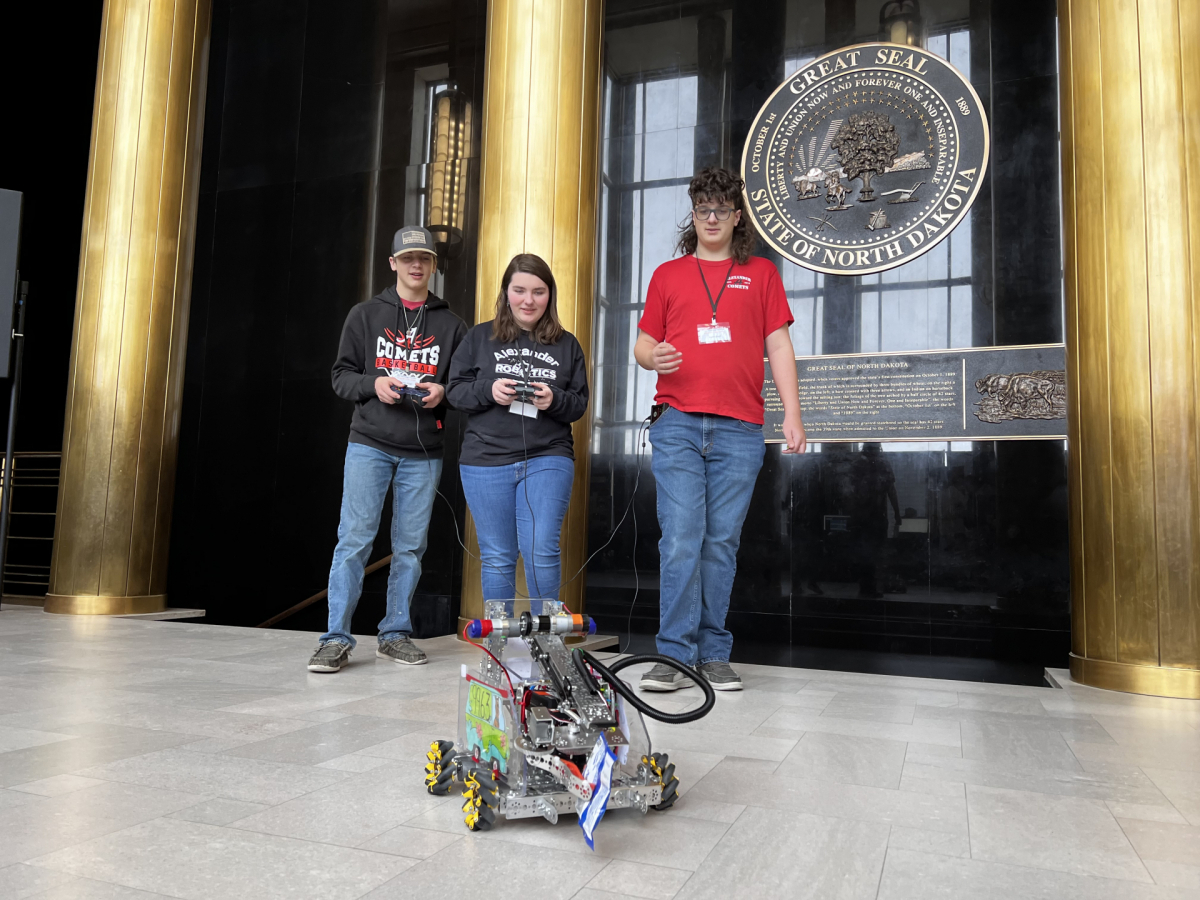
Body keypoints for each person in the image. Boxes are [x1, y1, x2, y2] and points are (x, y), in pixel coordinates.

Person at [634, 167, 807, 692]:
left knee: (720, 542)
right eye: (702, 208)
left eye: (721, 210)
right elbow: (642, 345)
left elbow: (778, 346)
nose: (711, 218)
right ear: (693, 214)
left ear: (737, 218)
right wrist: (653, 357)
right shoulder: (668, 275)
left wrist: (792, 412)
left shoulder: (762, 275)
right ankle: (674, 656)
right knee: (681, 538)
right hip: (678, 422)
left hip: (739, 428)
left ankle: (712, 654)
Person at [308, 226, 467, 673]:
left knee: (411, 548)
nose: (417, 265)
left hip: (424, 450)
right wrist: (374, 384)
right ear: (393, 263)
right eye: (408, 258)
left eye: (425, 259)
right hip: (370, 445)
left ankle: (394, 634)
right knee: (353, 541)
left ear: (433, 266)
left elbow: (463, 387)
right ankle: (335, 638)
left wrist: (444, 394)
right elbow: (341, 376)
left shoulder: (453, 326)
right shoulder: (364, 315)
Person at [447, 253, 589, 611]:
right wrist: (489, 390)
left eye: (539, 292)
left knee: (541, 546)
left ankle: (547, 640)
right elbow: (455, 391)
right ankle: (499, 647)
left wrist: (553, 399)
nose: (529, 301)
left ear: (550, 295)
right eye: (520, 290)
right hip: (485, 459)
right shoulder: (479, 337)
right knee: (497, 553)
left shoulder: (567, 344)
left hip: (548, 456)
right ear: (506, 293)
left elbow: (579, 404)